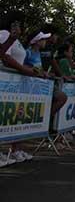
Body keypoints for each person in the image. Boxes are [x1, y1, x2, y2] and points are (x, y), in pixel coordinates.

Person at [0, 13, 39, 166]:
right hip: (5, 82)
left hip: (15, 85)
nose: (19, 27)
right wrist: (26, 70)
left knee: (15, 118)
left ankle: (15, 149)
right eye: (16, 24)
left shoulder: (16, 40)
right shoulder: (4, 34)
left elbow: (18, 59)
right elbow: (5, 57)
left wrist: (29, 69)